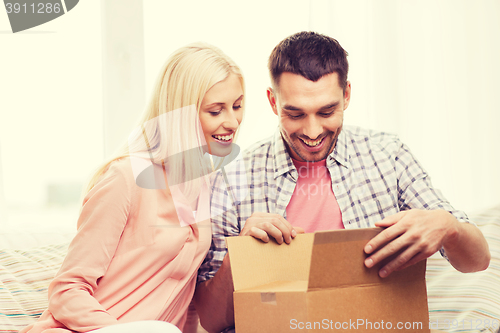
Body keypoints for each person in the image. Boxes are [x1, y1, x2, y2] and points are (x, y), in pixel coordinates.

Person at [193, 31, 491, 333]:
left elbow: (477, 261)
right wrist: (241, 257)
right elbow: (211, 320)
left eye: (327, 111)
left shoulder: (388, 155)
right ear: (273, 101)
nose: (312, 131)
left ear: (347, 95)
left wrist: (448, 227)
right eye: (294, 113)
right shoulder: (232, 177)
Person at [20, 42, 245, 333]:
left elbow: (183, 298)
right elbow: (67, 290)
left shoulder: (208, 184)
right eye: (216, 111)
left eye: (237, 106)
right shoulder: (125, 178)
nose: (232, 121)